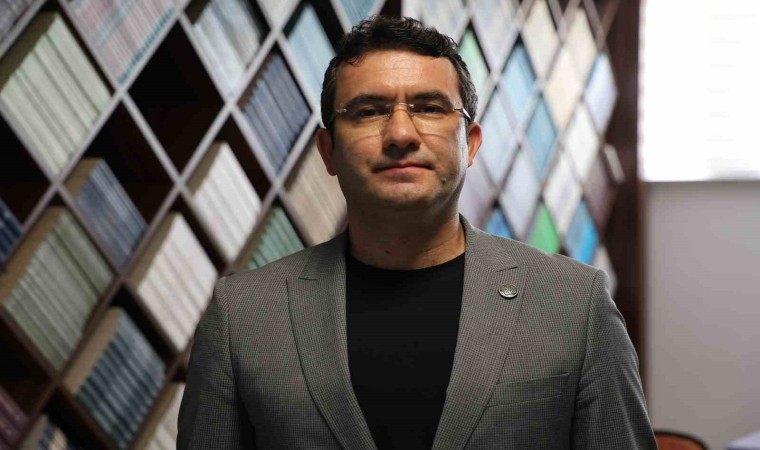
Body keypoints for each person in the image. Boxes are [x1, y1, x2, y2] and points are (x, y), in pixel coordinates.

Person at [177, 15, 656, 450]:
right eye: (368, 111)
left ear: (470, 144)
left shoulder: (575, 305)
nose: (401, 134)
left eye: (429, 107)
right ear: (328, 150)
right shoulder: (241, 317)